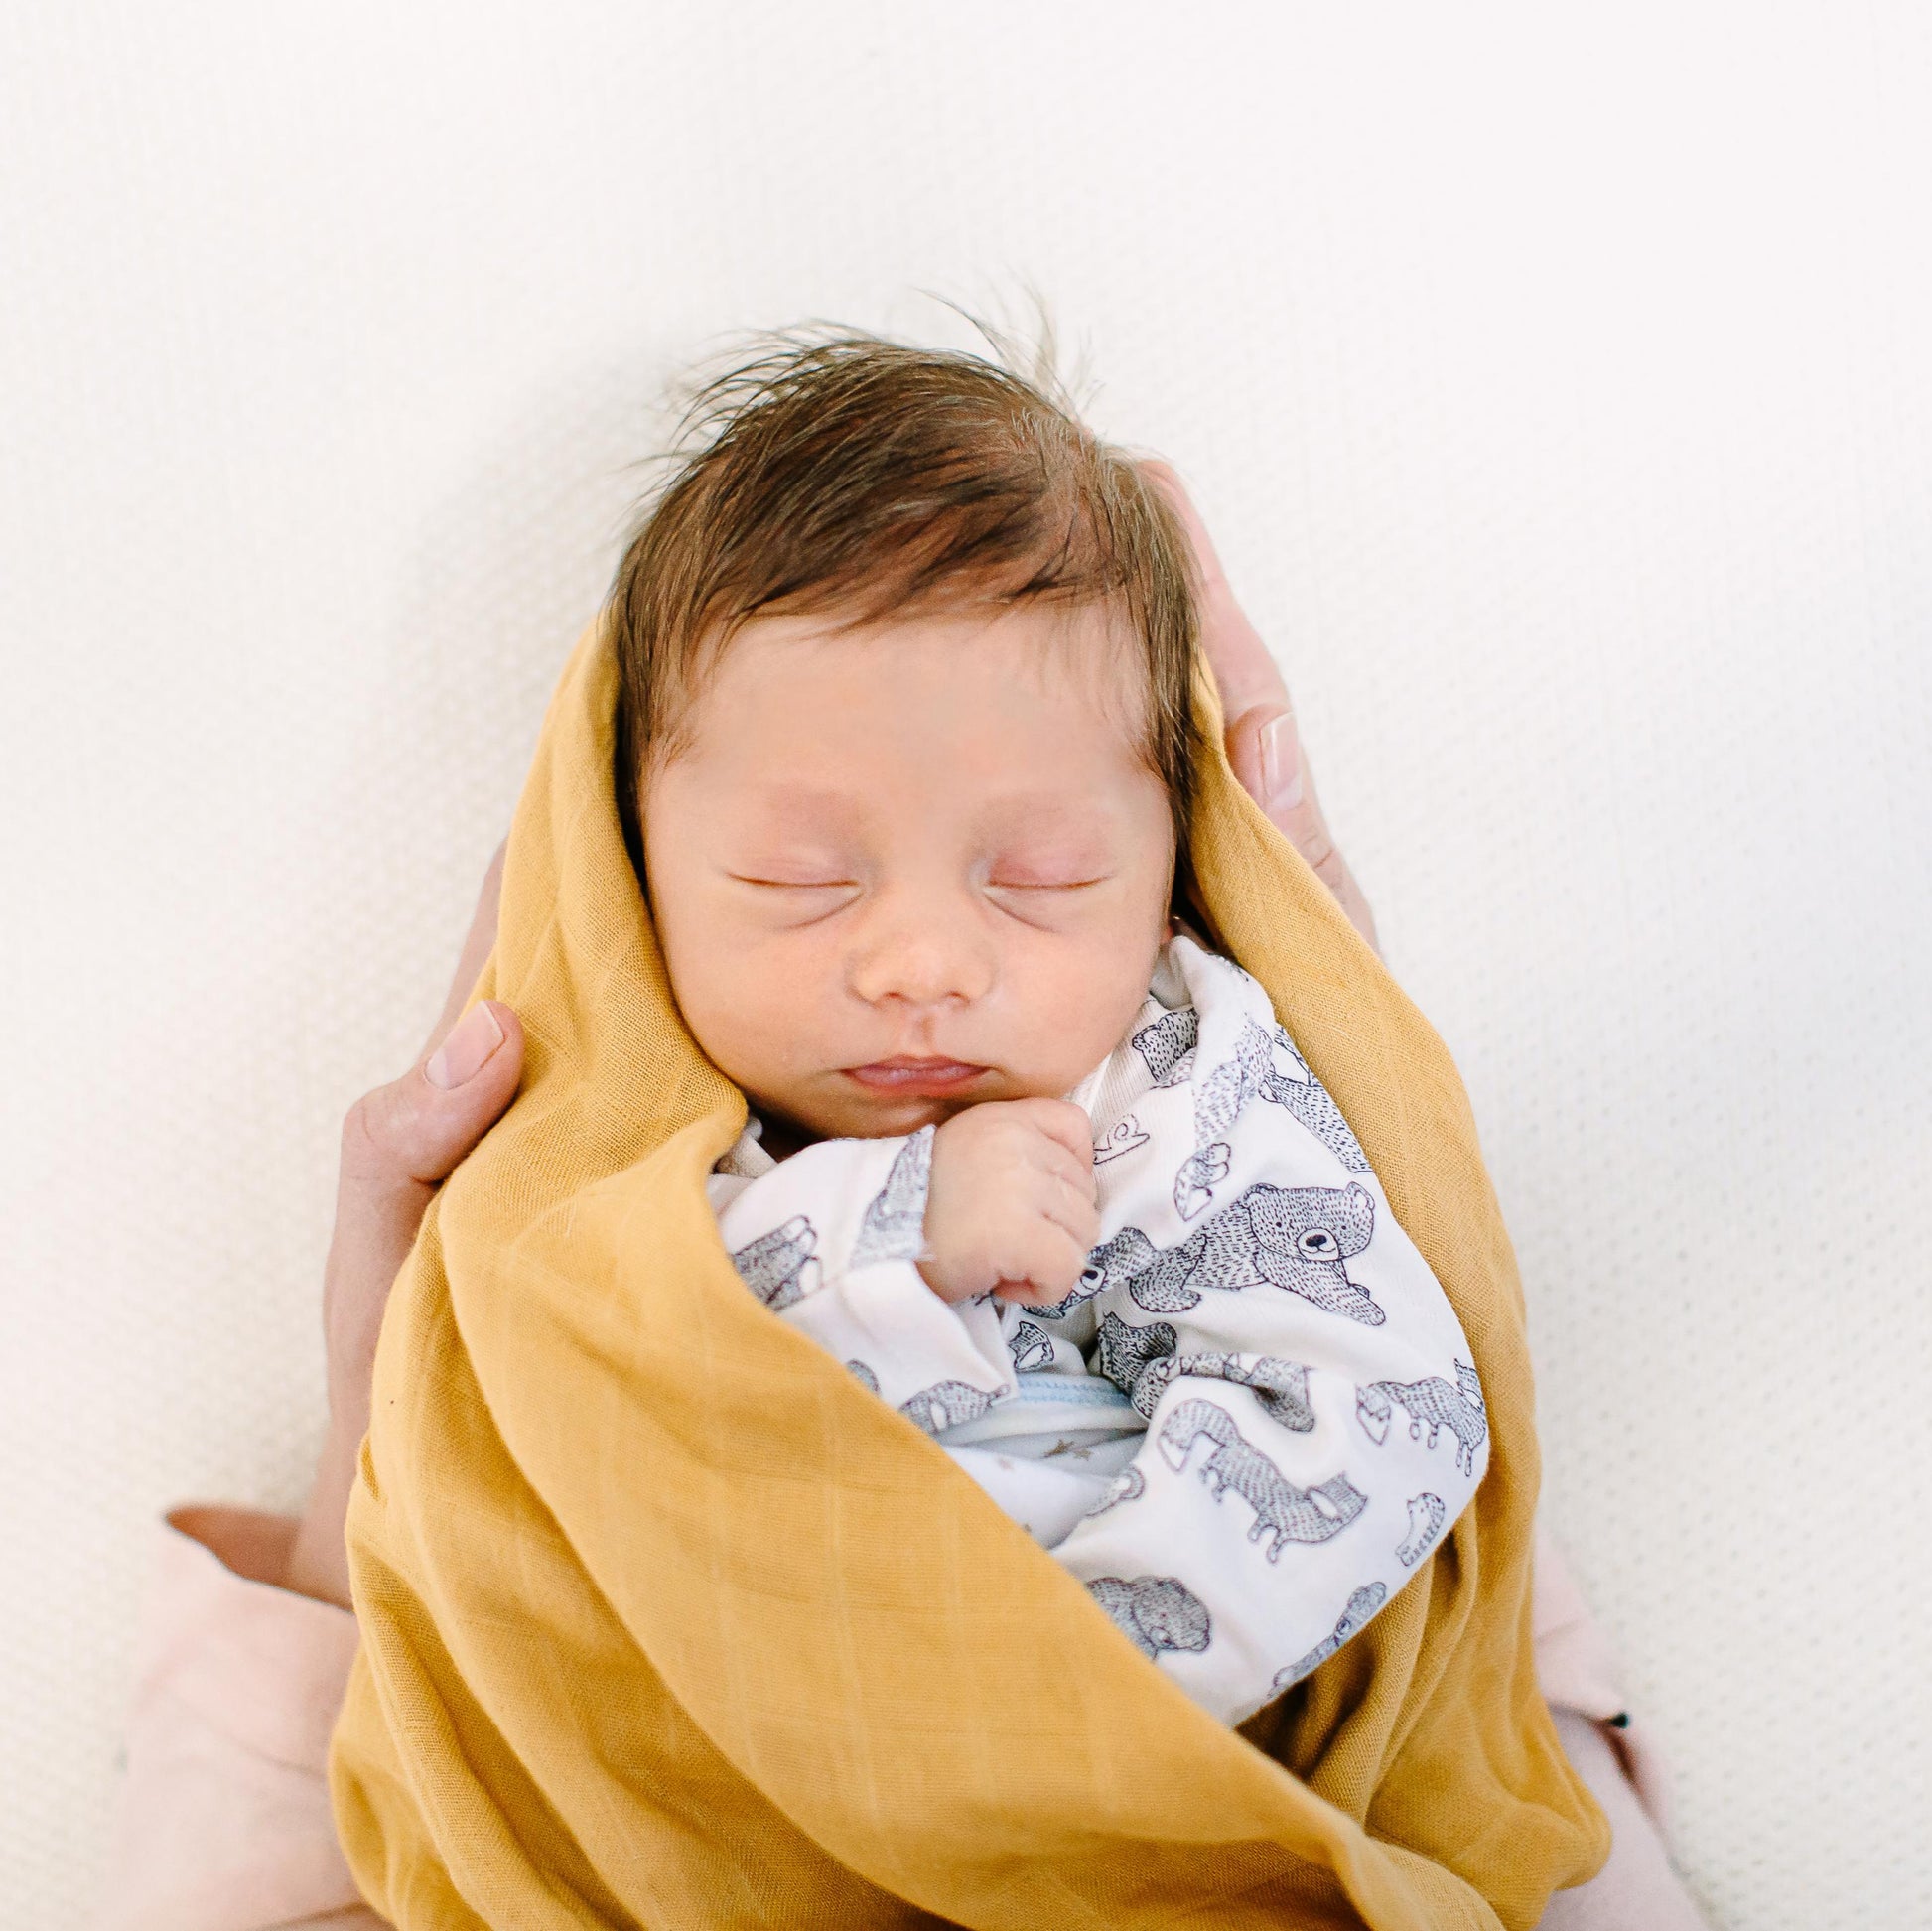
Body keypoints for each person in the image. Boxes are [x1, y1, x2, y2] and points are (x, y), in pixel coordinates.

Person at [92, 364, 1707, 1927]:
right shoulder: (596, 1188)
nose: (922, 958)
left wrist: (1077, 1702)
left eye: (1043, 875)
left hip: (1167, 1761)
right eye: (799, 878)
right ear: (631, 863)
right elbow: (615, 1370)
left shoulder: (1186, 1087)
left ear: (1175, 867)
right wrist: (890, 1228)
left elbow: (1374, 1406)